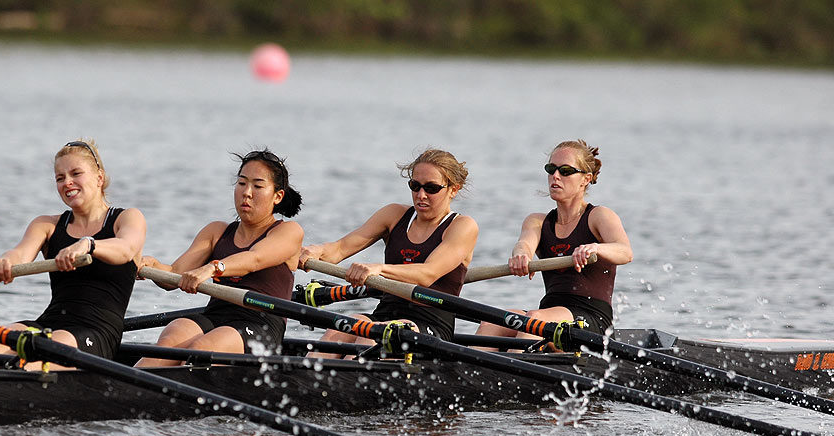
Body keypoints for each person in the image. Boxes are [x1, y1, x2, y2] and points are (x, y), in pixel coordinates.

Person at [0, 139, 146, 369]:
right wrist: (5, 261)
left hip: (96, 333)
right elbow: (20, 254)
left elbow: (126, 249)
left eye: (76, 173)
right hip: (50, 323)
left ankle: (15, 379)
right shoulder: (46, 224)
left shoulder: (127, 218)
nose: (67, 183)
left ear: (99, 178)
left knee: (48, 351)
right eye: (60, 178)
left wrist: (88, 244)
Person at [297, 148, 478, 357]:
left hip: (429, 326)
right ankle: (309, 374)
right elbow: (339, 249)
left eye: (431, 188)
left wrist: (379, 269)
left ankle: (347, 380)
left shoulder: (463, 226)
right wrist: (314, 251)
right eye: (415, 186)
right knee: (347, 324)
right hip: (385, 316)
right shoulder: (393, 215)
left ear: (453, 189)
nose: (421, 195)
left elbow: (427, 274)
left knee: (374, 334)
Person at [135, 149, 303, 367]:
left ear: (278, 196)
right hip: (216, 315)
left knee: (201, 349)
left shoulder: (289, 231)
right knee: (171, 339)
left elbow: (254, 259)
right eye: (242, 183)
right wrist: (152, 265)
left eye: (258, 186)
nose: (247, 193)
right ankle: (118, 393)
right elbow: (173, 276)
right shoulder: (216, 232)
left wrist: (212, 268)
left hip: (260, 325)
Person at [475, 139, 632, 345]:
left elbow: (625, 252)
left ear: (586, 179)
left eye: (565, 171)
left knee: (533, 320)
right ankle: (465, 375)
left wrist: (596, 248)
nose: (555, 176)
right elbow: (524, 244)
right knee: (493, 321)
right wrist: (521, 255)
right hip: (548, 313)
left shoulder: (599, 216)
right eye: (551, 169)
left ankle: (516, 372)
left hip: (590, 321)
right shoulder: (538, 221)